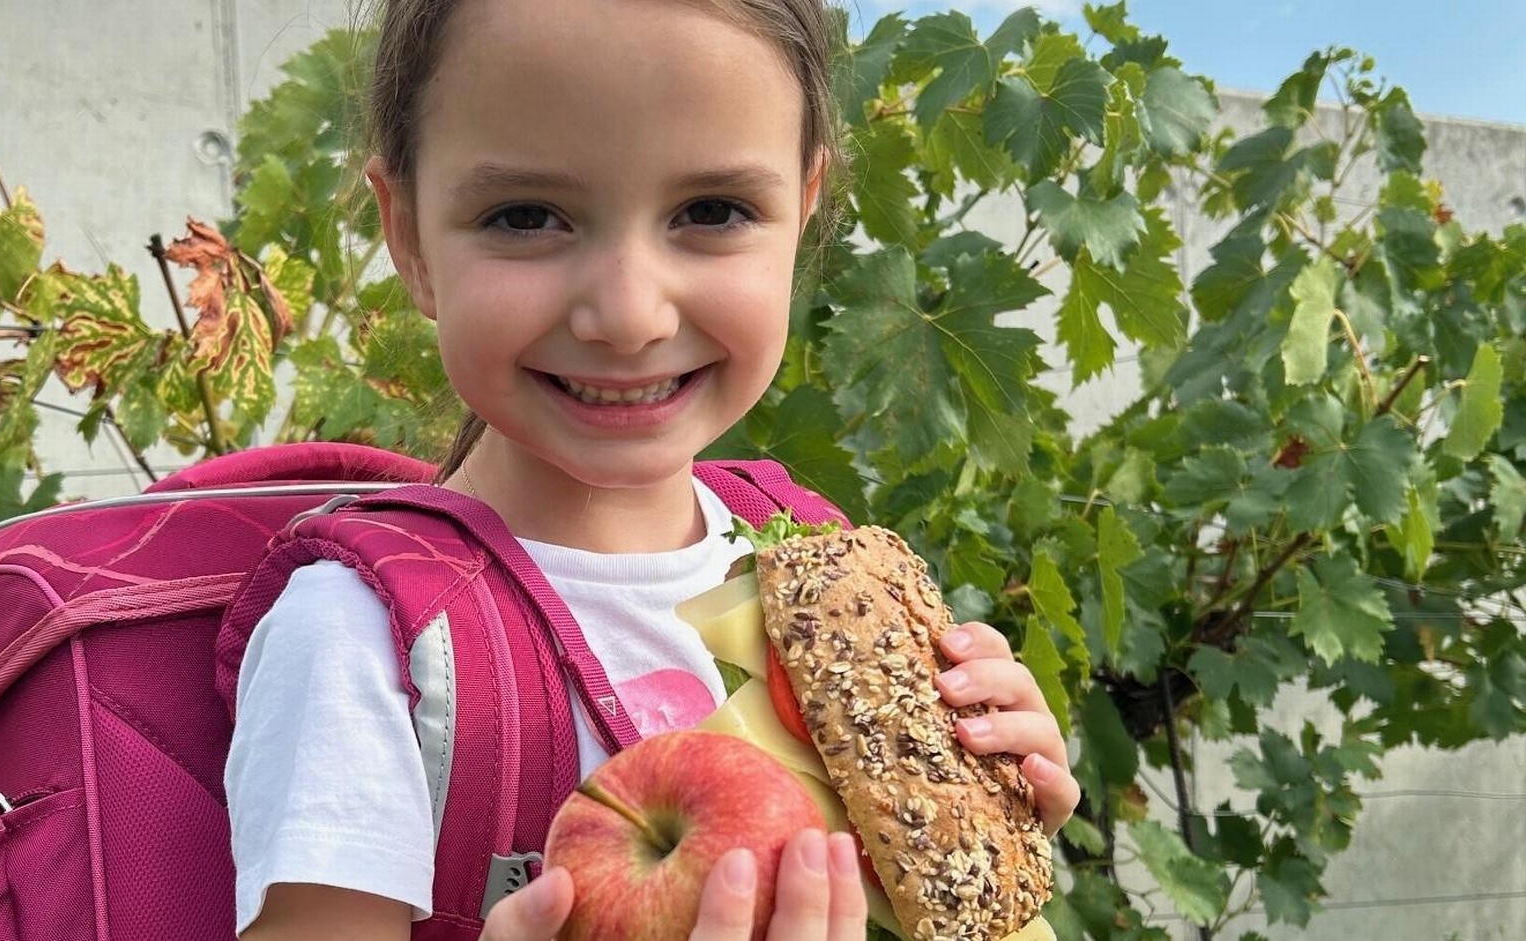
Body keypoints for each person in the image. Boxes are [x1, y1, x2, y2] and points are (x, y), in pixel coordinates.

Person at [224, 1, 1083, 938]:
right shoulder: (361, 644)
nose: (631, 315)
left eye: (712, 212)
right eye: (525, 216)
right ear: (410, 239)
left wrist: (988, 808)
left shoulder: (811, 562)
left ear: (804, 211)